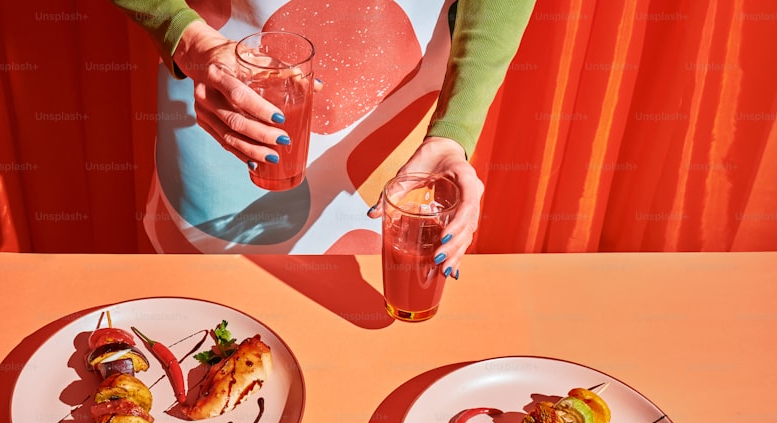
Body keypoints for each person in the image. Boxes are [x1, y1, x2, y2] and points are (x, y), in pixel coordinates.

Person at [112, 0, 535, 279]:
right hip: (228, 95)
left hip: (400, 136)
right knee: (214, 324)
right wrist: (184, 35)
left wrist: (452, 133)